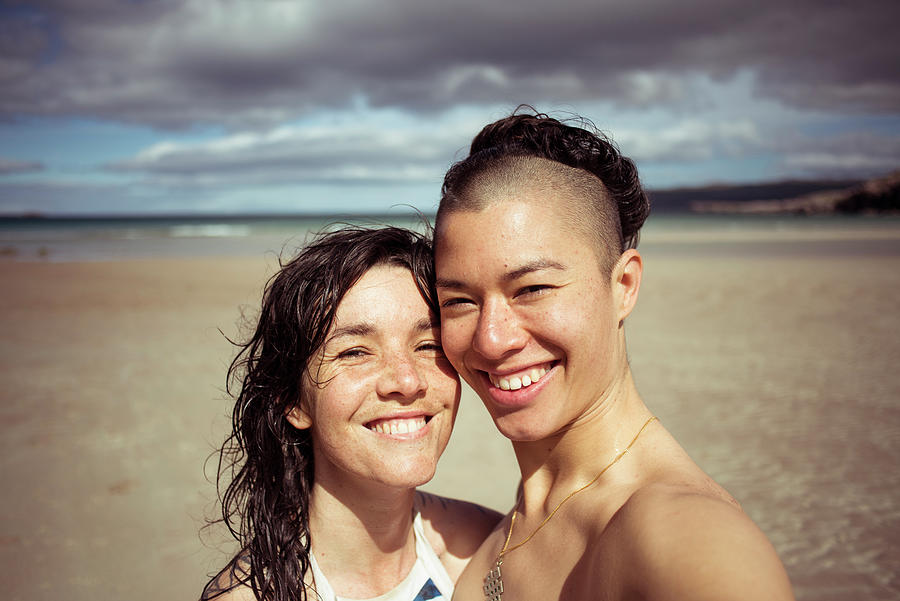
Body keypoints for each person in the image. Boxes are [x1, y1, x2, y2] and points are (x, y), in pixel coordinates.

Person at [432, 109, 795, 600]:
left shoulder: (678, 531)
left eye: (532, 288)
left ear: (623, 285)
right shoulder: (520, 519)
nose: (492, 340)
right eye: (459, 300)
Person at [201, 226, 500, 601]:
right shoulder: (253, 595)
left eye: (427, 345)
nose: (407, 381)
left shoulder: (484, 551)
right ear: (291, 401)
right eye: (355, 352)